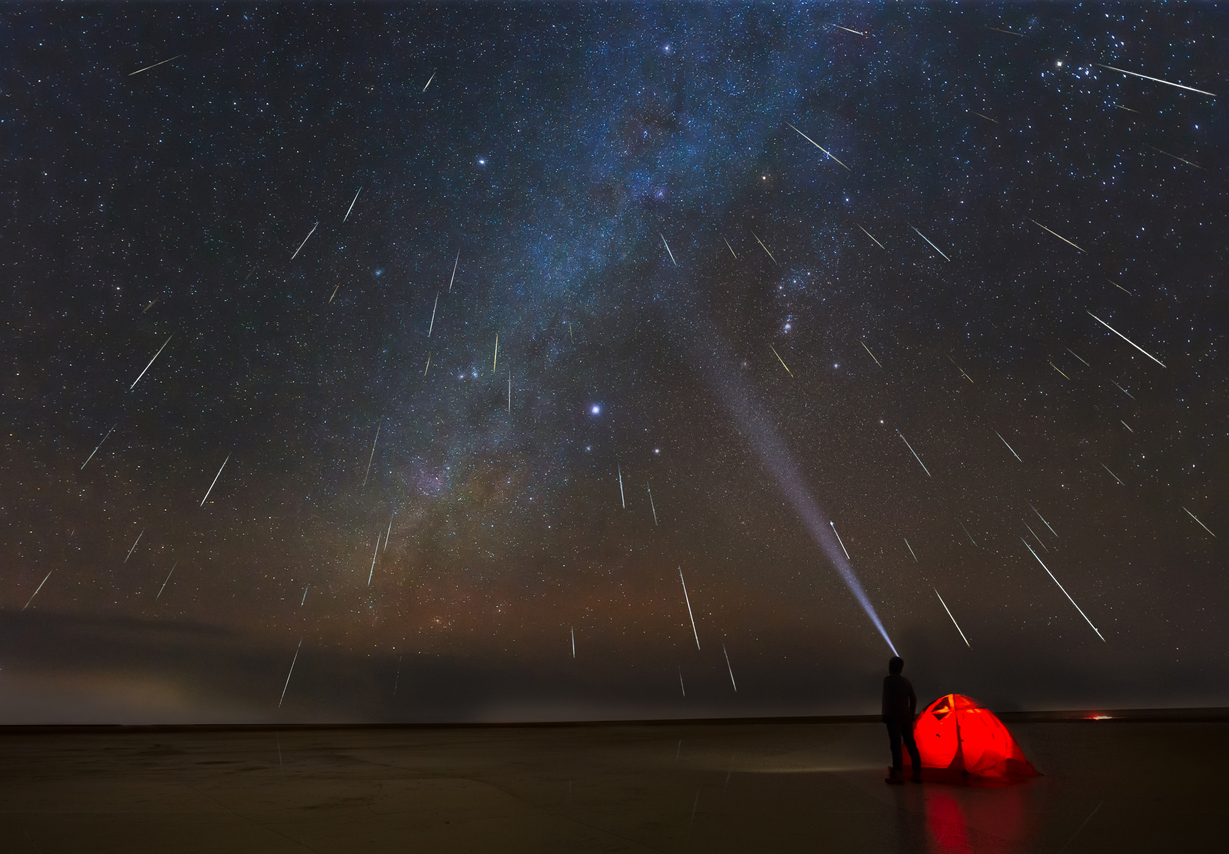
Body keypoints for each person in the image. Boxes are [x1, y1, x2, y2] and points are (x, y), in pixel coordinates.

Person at [882, 656, 922, 784]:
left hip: (893, 716)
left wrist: (885, 715)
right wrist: (911, 713)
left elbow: (886, 699)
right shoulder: (906, 681)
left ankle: (898, 774)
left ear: (890, 667)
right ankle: (917, 773)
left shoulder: (887, 681)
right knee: (910, 743)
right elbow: (913, 698)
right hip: (905, 716)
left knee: (895, 746)